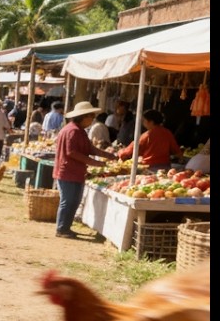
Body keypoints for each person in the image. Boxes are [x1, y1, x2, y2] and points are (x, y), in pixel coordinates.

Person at [53, 102, 117, 239]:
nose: (92, 120)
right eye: (91, 117)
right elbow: (72, 152)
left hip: (75, 172)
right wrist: (95, 163)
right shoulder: (73, 130)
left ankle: (66, 227)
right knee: (68, 201)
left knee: (74, 201)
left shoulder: (79, 130)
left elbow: (89, 149)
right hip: (68, 171)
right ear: (83, 117)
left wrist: (107, 155)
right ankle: (61, 228)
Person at [117, 109, 182, 172]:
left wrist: (120, 152)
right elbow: (177, 152)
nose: (143, 123)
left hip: (149, 168)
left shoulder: (147, 135)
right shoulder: (167, 133)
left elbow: (129, 151)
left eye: (144, 120)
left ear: (151, 122)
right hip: (165, 167)